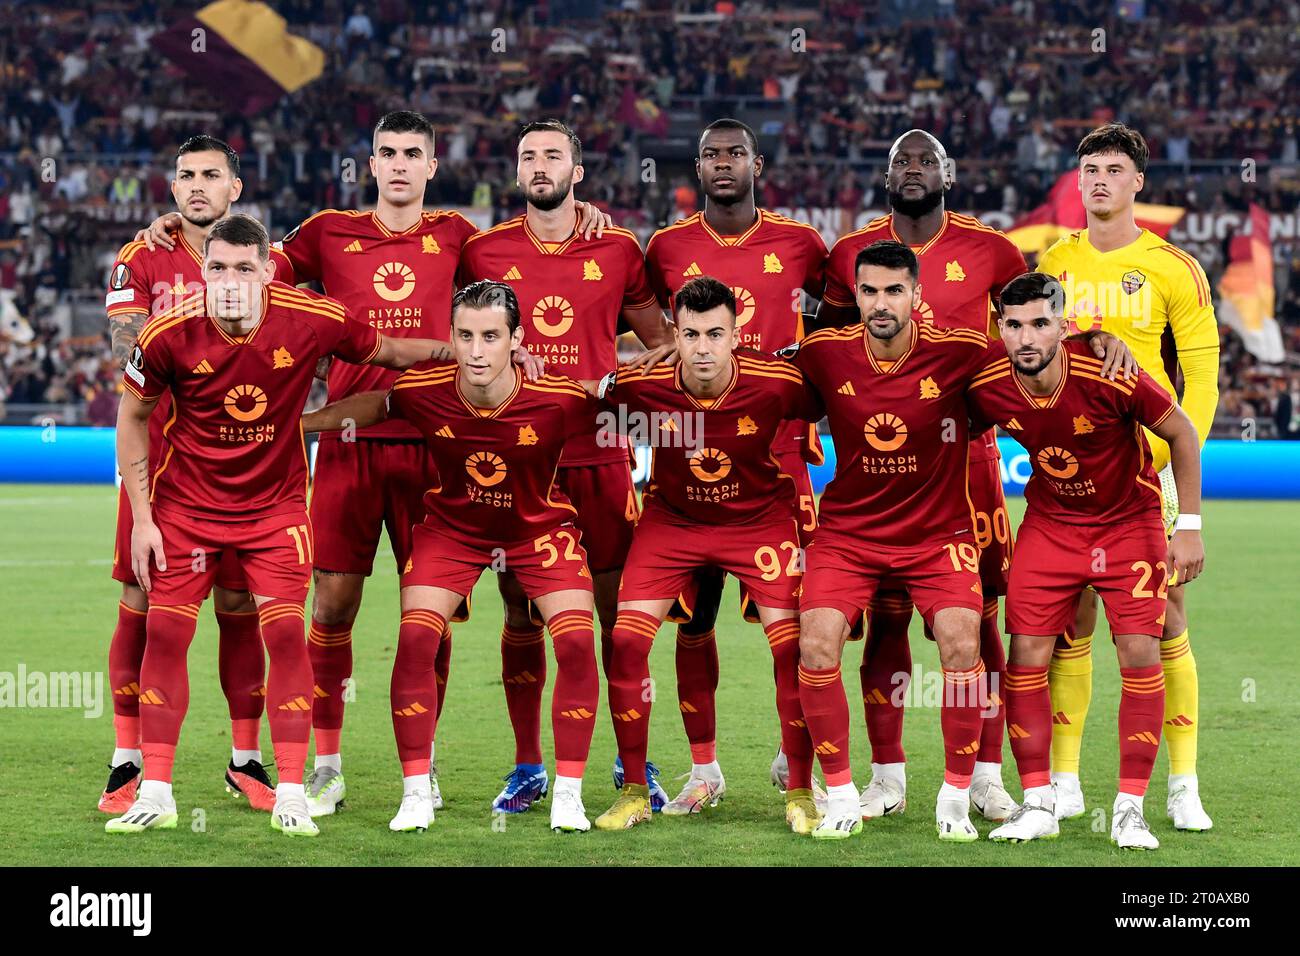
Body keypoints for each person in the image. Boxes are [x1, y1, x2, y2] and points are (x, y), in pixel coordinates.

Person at [134, 111, 613, 817]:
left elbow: (519, 277)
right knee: (330, 608)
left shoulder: (461, 238)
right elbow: (244, 265)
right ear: (371, 163)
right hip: (347, 447)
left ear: (430, 166)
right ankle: (325, 765)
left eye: (411, 154)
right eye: (385, 152)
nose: (396, 164)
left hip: (436, 448)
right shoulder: (327, 231)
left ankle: (425, 769)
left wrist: (578, 213)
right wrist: (177, 232)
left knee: (429, 620)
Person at [105, 214, 450, 836]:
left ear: (269, 271)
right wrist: (144, 519)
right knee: (166, 639)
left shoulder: (312, 317)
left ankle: (291, 789)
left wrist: (459, 350)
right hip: (186, 510)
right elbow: (132, 417)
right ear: (201, 273)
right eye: (217, 268)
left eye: (244, 268)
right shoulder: (166, 333)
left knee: (289, 638)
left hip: (276, 512)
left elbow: (390, 351)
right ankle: (155, 789)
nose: (230, 282)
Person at [786, 240, 1133, 841]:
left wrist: (1093, 340)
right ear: (857, 296)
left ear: (918, 296)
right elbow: (745, 371)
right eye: (869, 291)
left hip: (937, 532)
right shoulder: (823, 353)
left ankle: (956, 794)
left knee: (963, 637)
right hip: (849, 534)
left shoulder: (963, 351)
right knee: (815, 643)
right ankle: (843, 793)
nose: (881, 302)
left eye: (895, 290)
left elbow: (1035, 347)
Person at [301, 280, 603, 833]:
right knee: (417, 636)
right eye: (465, 336)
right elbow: (376, 406)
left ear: (517, 341)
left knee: (579, 640)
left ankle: (568, 793)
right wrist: (299, 425)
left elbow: (625, 402)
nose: (477, 350)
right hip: (453, 530)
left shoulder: (559, 397)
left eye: (491, 336)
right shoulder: (424, 389)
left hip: (536, 532)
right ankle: (417, 791)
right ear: (452, 338)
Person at [456, 120, 675, 815]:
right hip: (517, 462)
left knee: (615, 619)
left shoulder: (618, 249)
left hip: (602, 454)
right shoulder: (483, 251)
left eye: (553, 155)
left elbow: (664, 344)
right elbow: (460, 340)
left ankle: (630, 763)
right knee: (520, 611)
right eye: (528, 156)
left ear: (577, 170)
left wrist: (612, 379)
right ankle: (528, 767)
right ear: (517, 170)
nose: (539, 165)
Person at [816, 129, 1028, 823]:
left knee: (980, 622)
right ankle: (887, 775)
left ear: (950, 172)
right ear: (884, 175)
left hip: (968, 463)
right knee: (885, 619)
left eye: (925, 161)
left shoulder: (994, 250)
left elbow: (1030, 338)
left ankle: (986, 774)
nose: (912, 170)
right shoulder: (852, 253)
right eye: (900, 161)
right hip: (879, 469)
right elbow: (826, 353)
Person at [966, 272, 1205, 850]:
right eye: (1015, 325)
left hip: (1129, 524)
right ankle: (1040, 802)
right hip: (1050, 527)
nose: (1027, 337)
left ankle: (1130, 810)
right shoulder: (989, 384)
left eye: (1040, 324)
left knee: (1140, 651)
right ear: (1000, 327)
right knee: (1026, 651)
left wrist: (1191, 527)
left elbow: (1182, 433)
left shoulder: (1110, 370)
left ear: (1063, 326)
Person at [99, 135, 293, 816]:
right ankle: (127, 762)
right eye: (185, 175)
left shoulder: (270, 258)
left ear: (235, 188)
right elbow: (127, 350)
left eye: (213, 175)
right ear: (172, 185)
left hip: (241, 464)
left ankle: (245, 759)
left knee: (241, 609)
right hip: (160, 462)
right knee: (143, 602)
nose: (197, 185)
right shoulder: (142, 255)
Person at [591, 276, 822, 833]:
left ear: (736, 334)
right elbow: (581, 398)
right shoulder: (642, 383)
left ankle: (800, 788)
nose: (701, 348)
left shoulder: (775, 381)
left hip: (759, 521)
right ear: (673, 333)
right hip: (673, 524)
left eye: (715, 334)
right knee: (625, 642)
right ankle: (633, 791)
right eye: (690, 334)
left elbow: (842, 396)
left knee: (795, 647)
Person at [1038, 123, 1219, 831]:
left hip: (1148, 473)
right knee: (1070, 616)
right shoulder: (1056, 261)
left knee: (1163, 616)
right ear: (1078, 182)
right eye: (1090, 170)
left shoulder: (1174, 265)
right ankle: (1065, 778)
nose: (1101, 180)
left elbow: (1200, 369)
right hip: (1071, 472)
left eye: (1115, 169)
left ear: (1138, 181)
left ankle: (1182, 782)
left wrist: (1177, 454)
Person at [643, 119, 828, 809]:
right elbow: (639, 315)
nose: (723, 164)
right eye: (711, 154)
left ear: (758, 163)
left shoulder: (803, 244)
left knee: (797, 625)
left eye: (735, 154)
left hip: (778, 461)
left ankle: (795, 753)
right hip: (689, 457)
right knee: (694, 622)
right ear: (697, 165)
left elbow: (837, 322)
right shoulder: (665, 246)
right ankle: (705, 769)